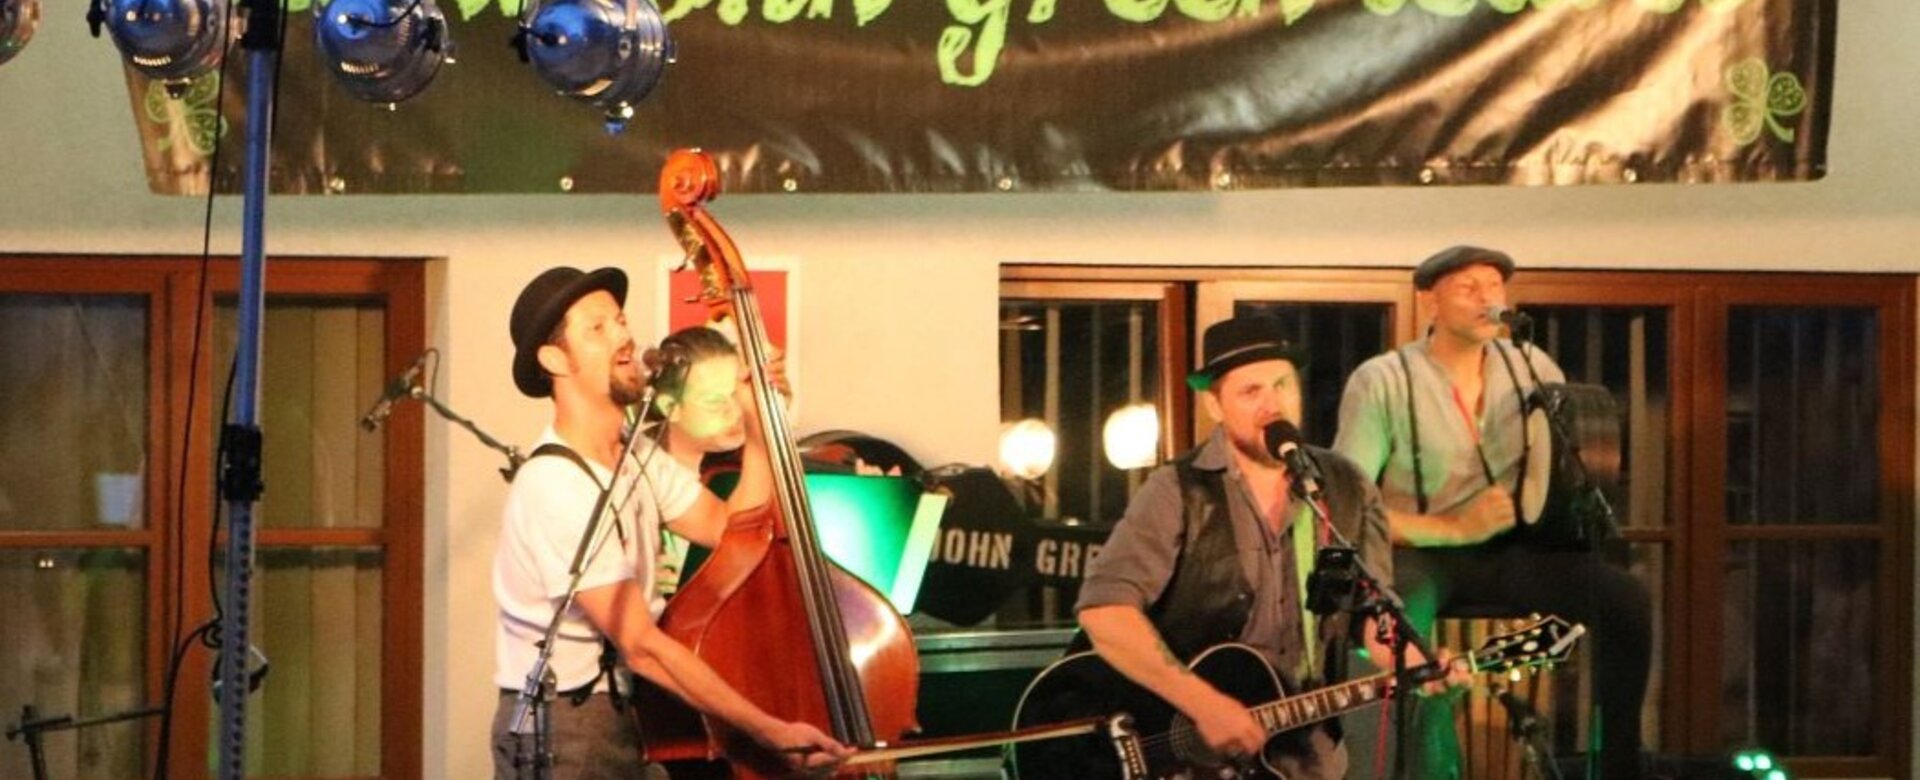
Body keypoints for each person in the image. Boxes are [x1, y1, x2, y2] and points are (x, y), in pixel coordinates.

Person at [490, 266, 849, 780]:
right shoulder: (554, 482)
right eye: (597, 328)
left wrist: (759, 425)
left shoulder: (636, 458)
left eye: (620, 320)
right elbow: (641, 645)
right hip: (567, 727)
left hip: (621, 713)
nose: (623, 336)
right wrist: (767, 730)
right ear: (553, 359)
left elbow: (733, 533)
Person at [1076, 314, 1449, 779]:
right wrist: (1205, 704)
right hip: (1186, 753)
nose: (1273, 404)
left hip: (1309, 752)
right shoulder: (1178, 489)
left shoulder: (1347, 485)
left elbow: (1368, 612)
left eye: (1282, 385)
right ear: (1215, 405)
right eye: (1251, 392)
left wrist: (1413, 658)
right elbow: (1104, 611)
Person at [1332, 246, 1653, 779]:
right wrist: (1451, 527)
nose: (1486, 299)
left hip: (1512, 552)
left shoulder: (1533, 367)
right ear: (1430, 301)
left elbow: (1561, 469)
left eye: (1494, 286)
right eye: (1467, 287)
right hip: (1419, 553)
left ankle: (1617, 767)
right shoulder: (1381, 380)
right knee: (1399, 635)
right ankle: (1422, 772)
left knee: (1626, 600)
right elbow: (1349, 508)